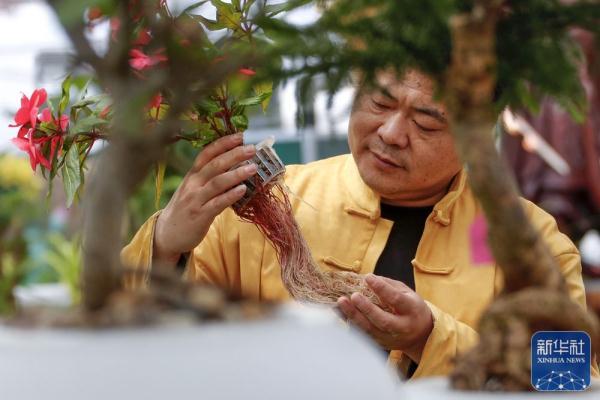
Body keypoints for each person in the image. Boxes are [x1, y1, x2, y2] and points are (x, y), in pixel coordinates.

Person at [122, 69, 596, 378]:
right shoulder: (261, 205)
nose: (391, 133)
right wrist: (165, 247)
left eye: (427, 123)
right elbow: (130, 341)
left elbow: (573, 375)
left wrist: (430, 337)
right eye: (379, 104)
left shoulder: (526, 240)